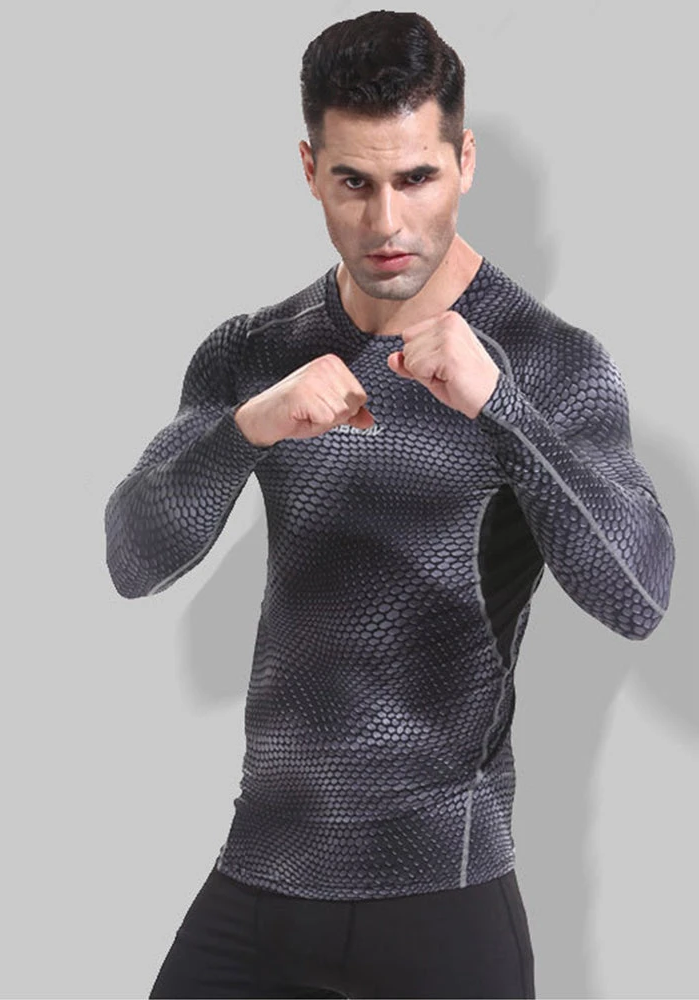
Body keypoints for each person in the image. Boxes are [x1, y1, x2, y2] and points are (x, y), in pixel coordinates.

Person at [103, 11, 675, 999]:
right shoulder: (256, 349)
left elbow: (639, 595)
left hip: (442, 900)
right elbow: (131, 557)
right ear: (309, 168)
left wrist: (504, 410)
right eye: (354, 184)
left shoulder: (546, 358)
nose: (387, 225)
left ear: (464, 161)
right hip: (260, 882)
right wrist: (250, 428)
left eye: (416, 179)